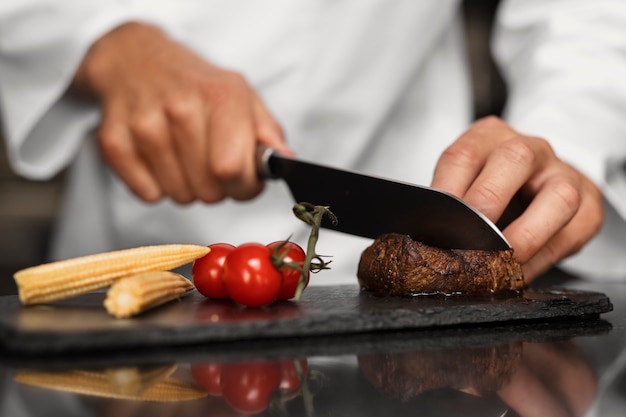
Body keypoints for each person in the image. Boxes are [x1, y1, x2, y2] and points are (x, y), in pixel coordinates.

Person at [0, 0, 625, 286]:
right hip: (133, 252)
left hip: (414, 223)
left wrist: (568, 135)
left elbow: (587, 15)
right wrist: (102, 39)